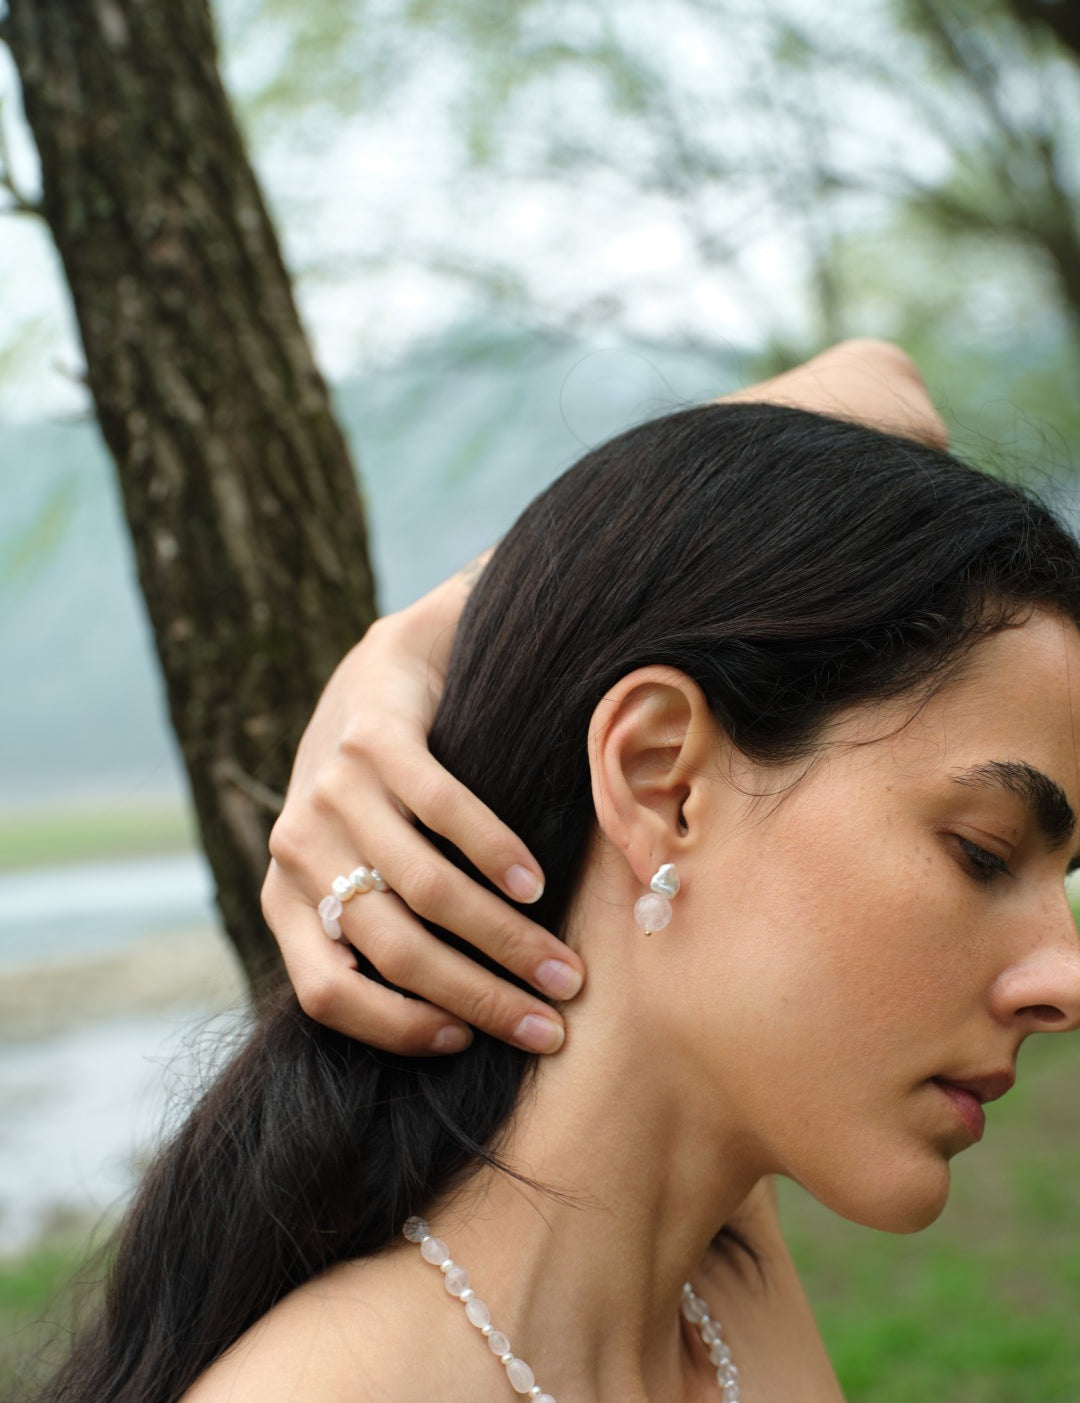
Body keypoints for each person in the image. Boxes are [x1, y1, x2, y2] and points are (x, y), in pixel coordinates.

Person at [40, 343, 1080, 1403]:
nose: (1066, 980)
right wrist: (481, 627)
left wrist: (442, 628)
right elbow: (873, 400)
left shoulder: (703, 1288)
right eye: (984, 852)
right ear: (661, 780)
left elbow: (882, 388)